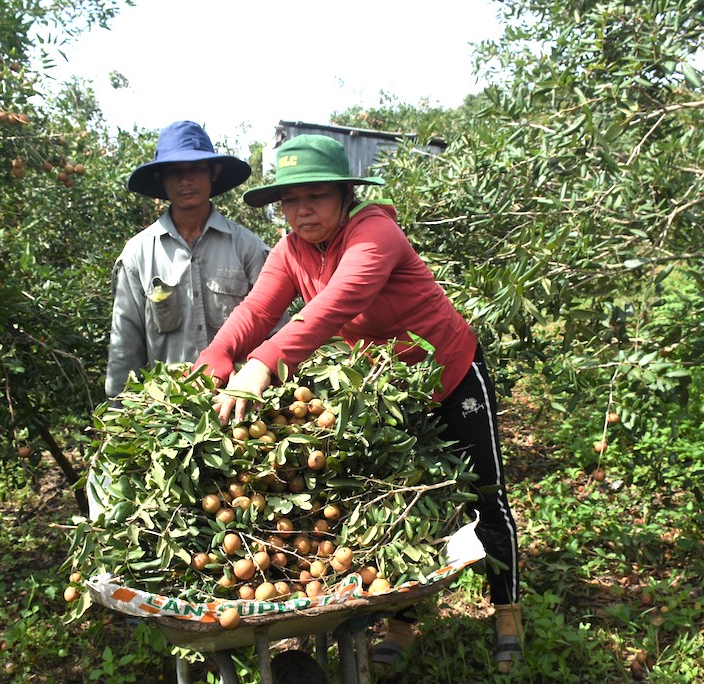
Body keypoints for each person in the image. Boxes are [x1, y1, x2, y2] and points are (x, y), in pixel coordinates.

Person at [193, 134, 524, 673]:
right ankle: (402, 620)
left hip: (452, 376)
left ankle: (507, 610)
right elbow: (256, 310)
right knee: (407, 502)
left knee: (486, 493)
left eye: (316, 197)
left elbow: (336, 302)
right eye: (291, 200)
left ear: (345, 195)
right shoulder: (291, 250)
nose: (302, 211)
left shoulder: (376, 233)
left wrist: (263, 362)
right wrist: (217, 355)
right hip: (390, 396)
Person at [93, 120, 273, 518]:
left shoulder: (247, 248)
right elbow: (127, 344)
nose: (186, 180)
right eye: (175, 172)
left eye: (194, 170)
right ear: (162, 180)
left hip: (242, 417)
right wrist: (121, 420)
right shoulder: (139, 253)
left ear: (213, 174)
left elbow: (275, 330)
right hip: (168, 423)